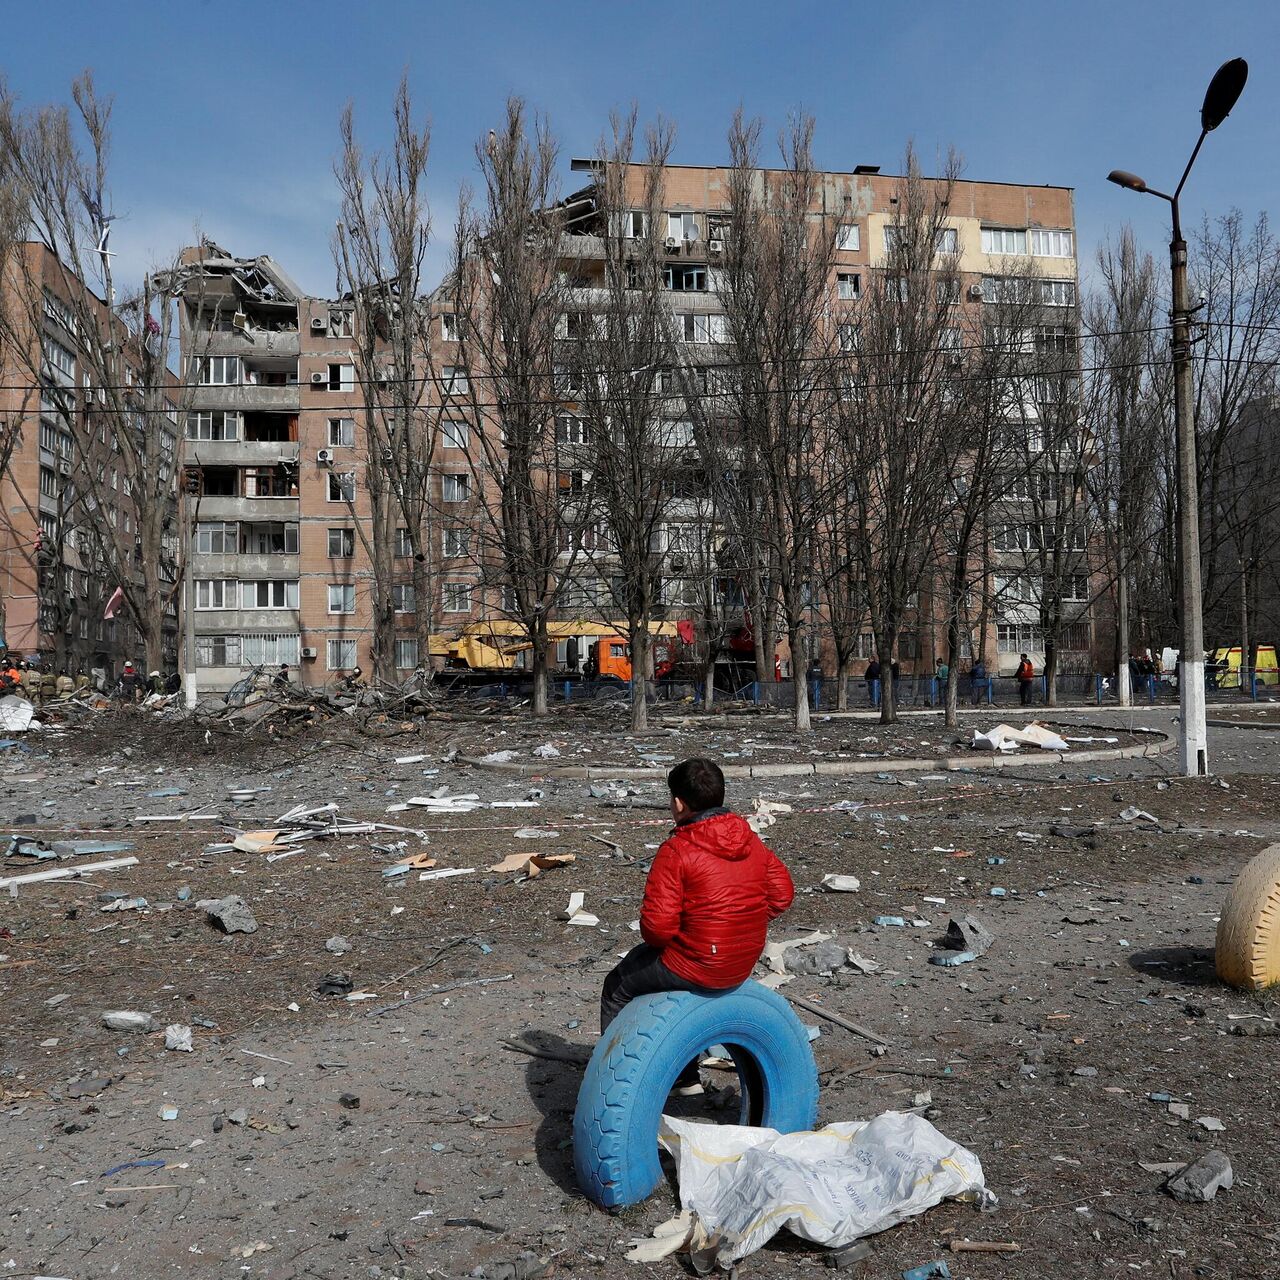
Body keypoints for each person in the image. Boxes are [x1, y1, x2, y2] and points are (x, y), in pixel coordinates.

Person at [599, 758, 794, 1096]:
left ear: (678, 803)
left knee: (619, 985)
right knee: (660, 979)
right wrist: (742, 923)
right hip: (743, 958)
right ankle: (685, 1077)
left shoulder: (678, 849)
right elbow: (782, 894)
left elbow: (657, 929)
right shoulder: (749, 838)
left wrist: (697, 936)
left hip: (696, 961)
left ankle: (616, 1083)